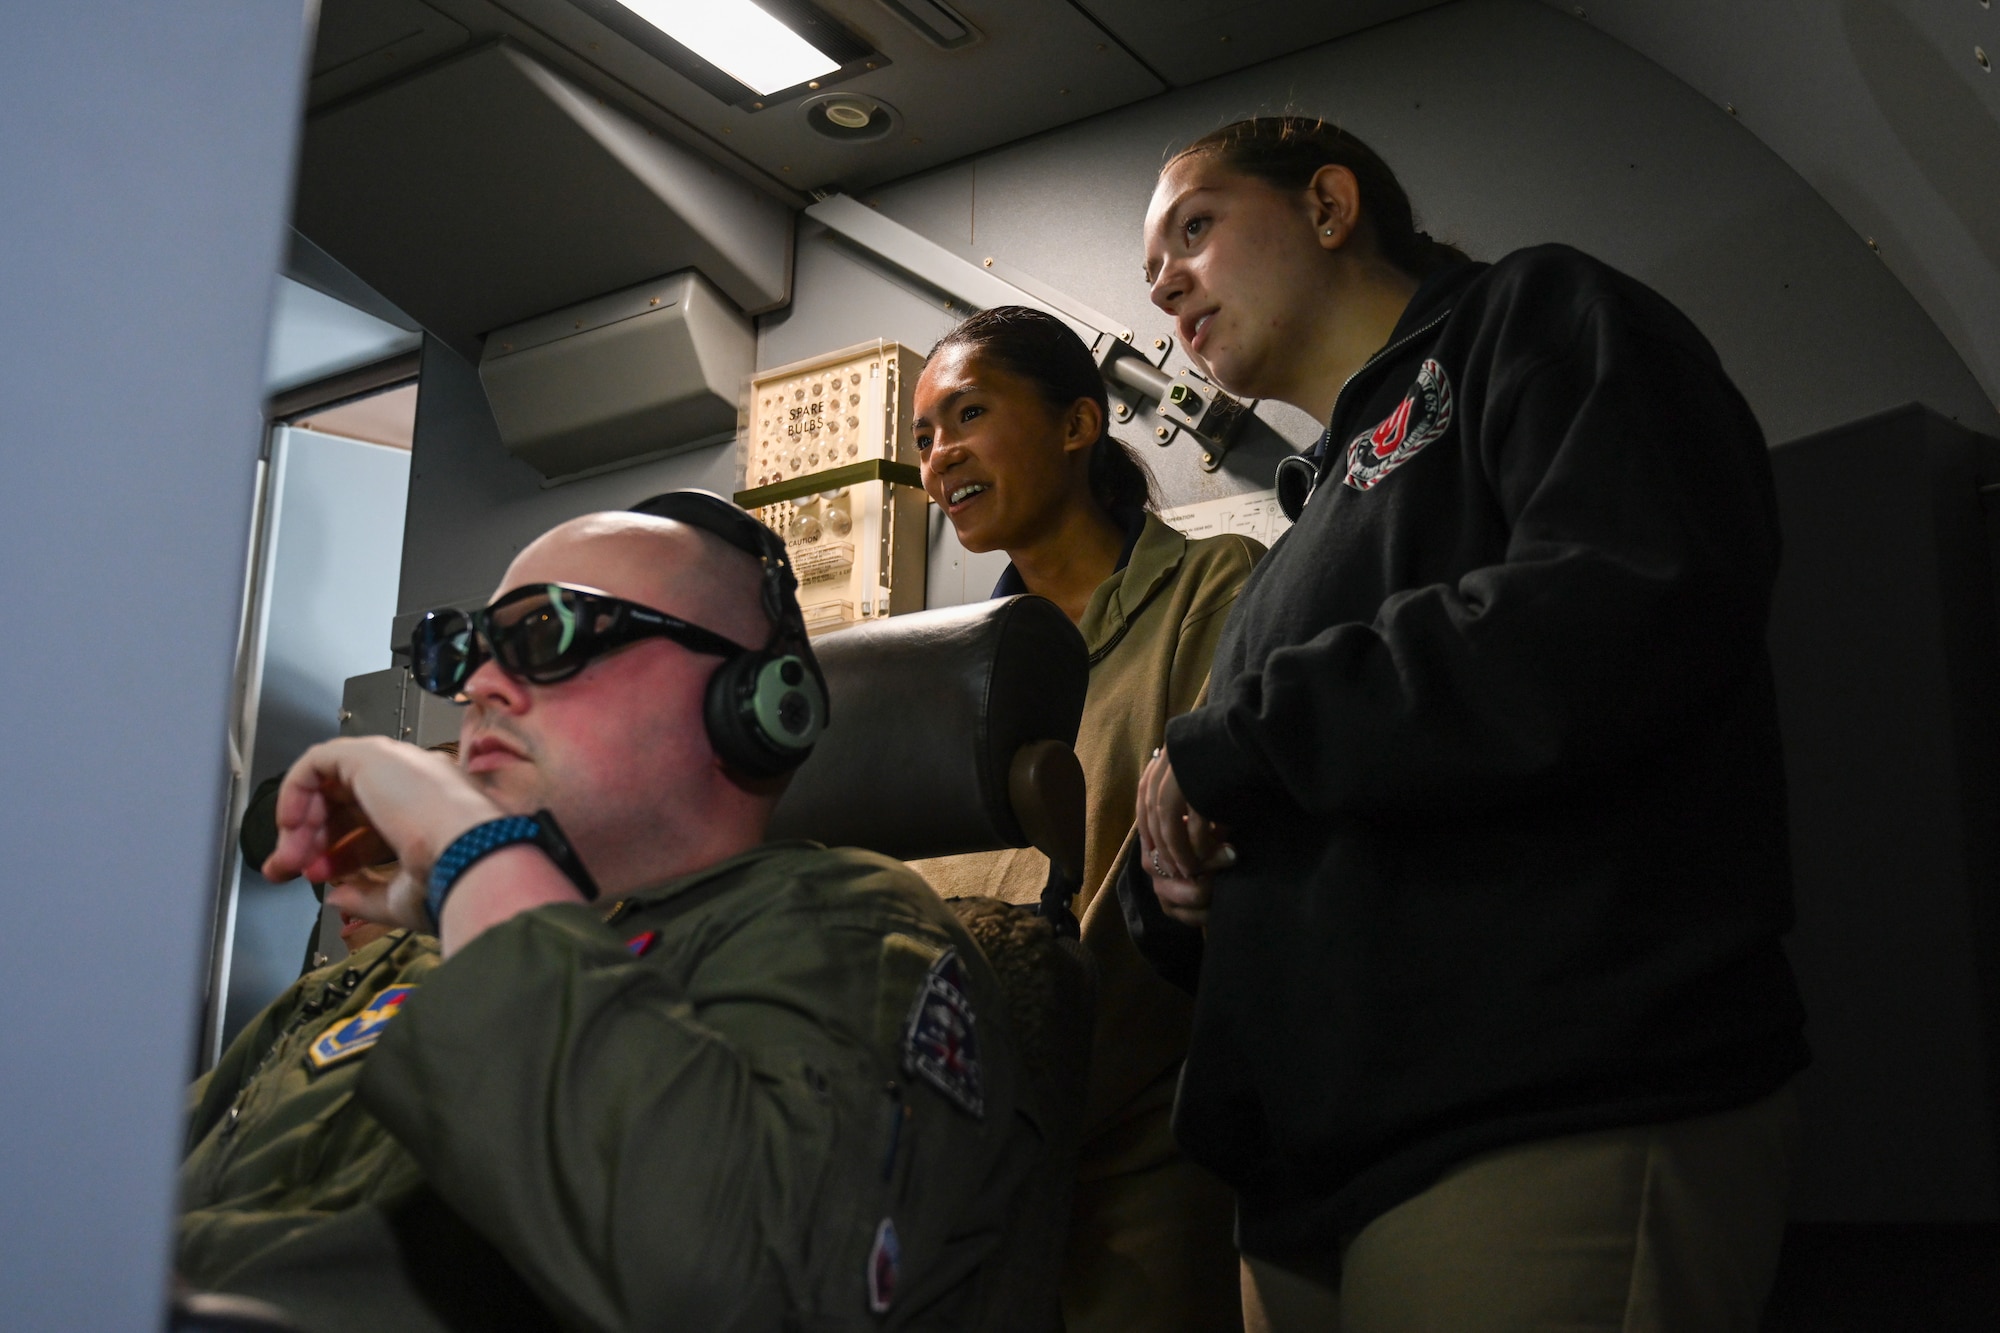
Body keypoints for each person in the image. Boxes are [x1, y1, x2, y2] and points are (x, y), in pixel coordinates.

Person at [1128, 117, 1810, 1331]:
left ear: (1329, 206)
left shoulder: (1533, 321)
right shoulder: (1294, 538)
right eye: (1150, 269)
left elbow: (1622, 601)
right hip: (1304, 1178)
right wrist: (1175, 877)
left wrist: (1247, 742)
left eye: (1194, 227)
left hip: (1540, 1111)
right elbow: (1280, 791)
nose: (1165, 281)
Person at [196, 492, 1042, 1332]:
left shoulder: (853, 935)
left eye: (545, 634)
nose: (481, 687)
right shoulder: (404, 961)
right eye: (468, 652)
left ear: (754, 702)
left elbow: (738, 1284)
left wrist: (478, 863)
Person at [909, 306, 1260, 1333]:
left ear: (1076, 425)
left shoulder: (1209, 588)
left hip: (1153, 1144)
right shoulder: (944, 676)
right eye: (923, 437)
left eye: (967, 413)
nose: (939, 457)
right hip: (981, 1168)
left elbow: (1199, 867)